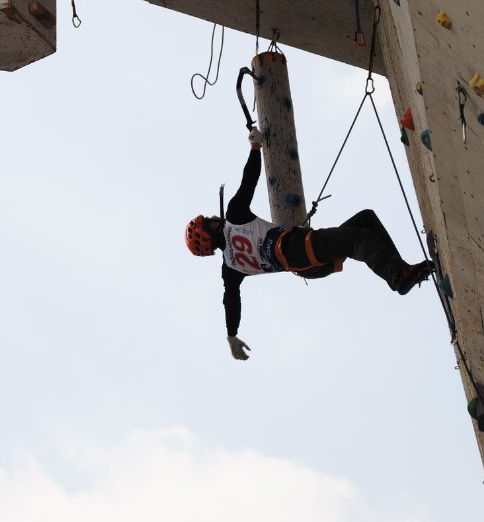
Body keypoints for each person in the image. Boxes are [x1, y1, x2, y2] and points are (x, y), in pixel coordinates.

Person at [184, 129, 433, 361]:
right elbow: (249, 179)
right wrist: (255, 146)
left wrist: (232, 334)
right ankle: (399, 276)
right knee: (357, 239)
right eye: (208, 221)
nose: (212, 217)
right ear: (210, 231)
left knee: (365, 220)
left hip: (307, 268)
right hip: (299, 247)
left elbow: (231, 300)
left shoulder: (230, 268)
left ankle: (399, 272)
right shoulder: (234, 215)